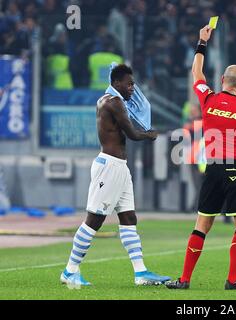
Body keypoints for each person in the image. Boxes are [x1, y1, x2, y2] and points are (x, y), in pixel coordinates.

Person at [165, 25, 236, 290]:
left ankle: (185, 279)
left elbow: (196, 72)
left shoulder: (208, 98)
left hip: (212, 169)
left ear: (223, 79)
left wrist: (202, 41)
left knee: (202, 223)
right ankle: (233, 281)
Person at [60, 64, 170, 286]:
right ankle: (70, 271)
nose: (132, 88)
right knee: (95, 219)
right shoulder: (114, 102)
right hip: (109, 167)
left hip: (119, 167)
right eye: (128, 84)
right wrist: (149, 135)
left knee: (129, 218)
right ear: (117, 83)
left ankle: (140, 273)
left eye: (133, 84)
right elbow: (131, 133)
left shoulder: (109, 100)